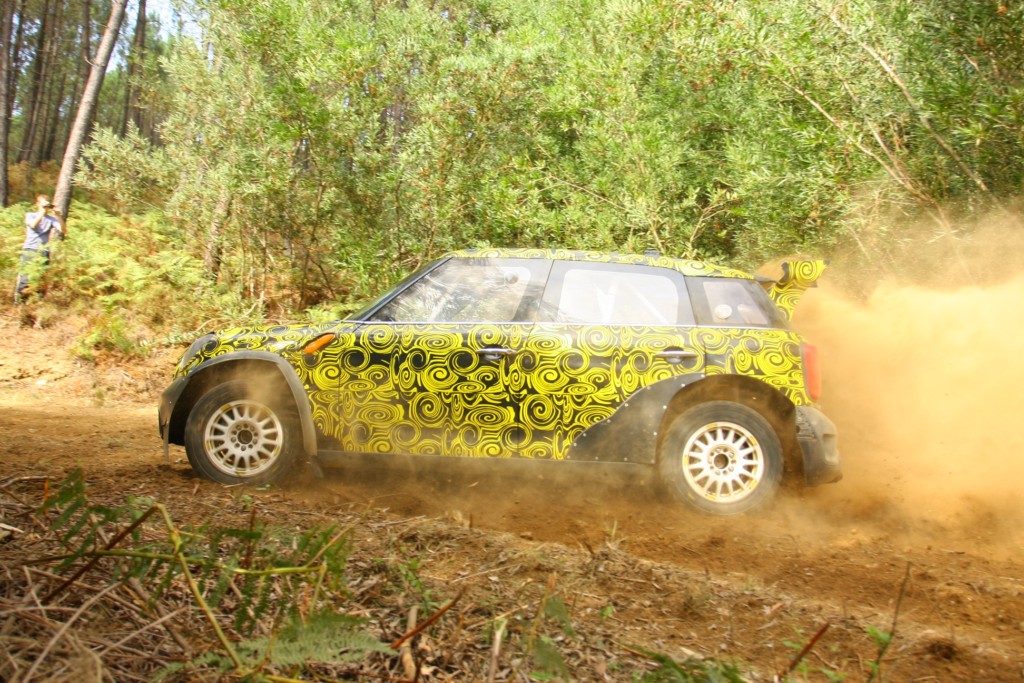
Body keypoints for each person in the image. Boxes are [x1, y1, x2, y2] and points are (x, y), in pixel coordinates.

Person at [15, 194, 65, 303]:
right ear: (37, 204)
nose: (45, 206)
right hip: (29, 249)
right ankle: (19, 303)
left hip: (43, 251)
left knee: (41, 279)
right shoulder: (30, 215)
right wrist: (42, 213)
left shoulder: (51, 219)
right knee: (25, 278)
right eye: (42, 204)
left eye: (46, 204)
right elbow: (33, 225)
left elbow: (63, 230)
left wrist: (59, 216)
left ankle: (38, 304)